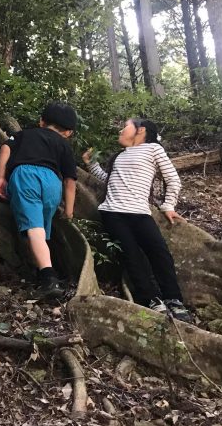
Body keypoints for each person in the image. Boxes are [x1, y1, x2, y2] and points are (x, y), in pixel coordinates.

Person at [82, 118, 193, 322]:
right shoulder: (119, 156)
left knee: (160, 253)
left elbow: (172, 179)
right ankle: (151, 300)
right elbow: (109, 179)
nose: (121, 130)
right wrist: (92, 163)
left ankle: (174, 300)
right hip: (113, 213)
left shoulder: (153, 149)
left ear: (140, 130)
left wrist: (168, 205)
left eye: (125, 127)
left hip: (140, 212)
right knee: (132, 257)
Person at [0, 103, 78, 297]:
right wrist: (69, 211)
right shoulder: (64, 145)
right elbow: (70, 181)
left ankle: (50, 279)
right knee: (41, 230)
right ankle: (40, 270)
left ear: (41, 122)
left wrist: (1, 177)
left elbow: (6, 148)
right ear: (68, 132)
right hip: (52, 183)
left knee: (35, 229)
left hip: (26, 175)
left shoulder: (25, 134)